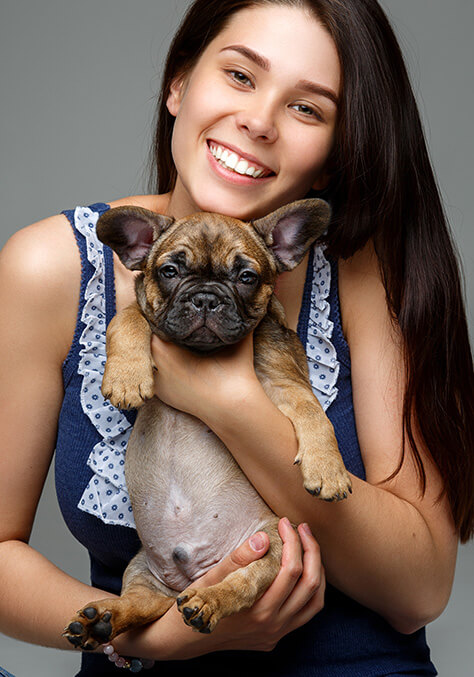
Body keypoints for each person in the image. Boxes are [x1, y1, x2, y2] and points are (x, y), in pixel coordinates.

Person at [0, 0, 473, 675]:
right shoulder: (52, 267)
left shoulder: (365, 274)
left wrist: (228, 399)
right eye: (241, 75)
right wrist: (155, 640)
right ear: (178, 83)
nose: (259, 121)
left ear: (335, 155)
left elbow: (419, 592)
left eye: (307, 108)